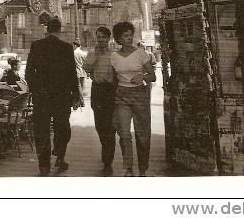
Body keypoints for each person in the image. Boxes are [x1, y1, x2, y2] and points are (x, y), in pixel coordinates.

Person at [26, 17, 82, 176]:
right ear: (60, 30)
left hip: (41, 97)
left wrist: (37, 90)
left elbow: (29, 73)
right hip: (62, 96)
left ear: (47, 29)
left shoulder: (36, 46)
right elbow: (72, 74)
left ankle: (44, 165)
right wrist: (76, 94)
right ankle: (60, 155)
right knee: (62, 127)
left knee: (41, 130)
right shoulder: (66, 48)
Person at [111, 21, 157, 177]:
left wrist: (143, 76)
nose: (129, 38)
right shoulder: (114, 57)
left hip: (140, 95)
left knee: (142, 134)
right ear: (119, 38)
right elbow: (113, 79)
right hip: (121, 96)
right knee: (124, 134)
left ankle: (143, 168)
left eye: (131, 35)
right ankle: (128, 168)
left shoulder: (141, 53)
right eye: (125, 35)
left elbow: (153, 76)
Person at [83, 26, 117, 176]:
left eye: (104, 37)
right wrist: (95, 56)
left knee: (110, 127)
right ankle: (106, 149)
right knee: (99, 125)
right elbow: (87, 69)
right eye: (99, 37)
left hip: (110, 91)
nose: (101, 40)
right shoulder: (91, 53)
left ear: (109, 39)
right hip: (97, 90)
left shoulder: (114, 54)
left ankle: (108, 159)